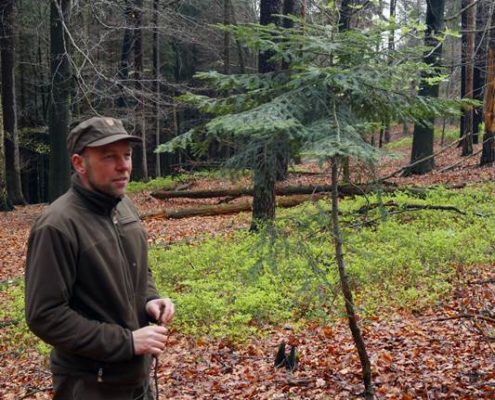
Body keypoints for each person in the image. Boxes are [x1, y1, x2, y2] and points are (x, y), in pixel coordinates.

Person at [25, 116, 175, 400]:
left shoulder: (124, 207)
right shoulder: (57, 226)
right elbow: (44, 315)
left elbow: (139, 271)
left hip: (136, 378)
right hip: (91, 384)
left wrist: (150, 300)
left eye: (127, 155)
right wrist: (127, 342)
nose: (124, 166)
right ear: (79, 163)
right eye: (109, 157)